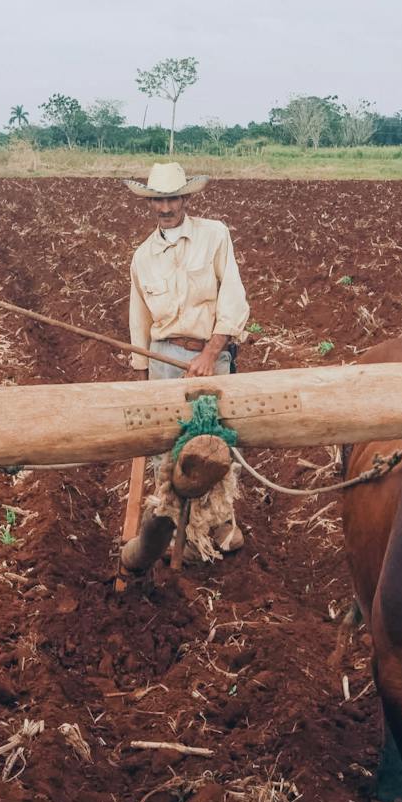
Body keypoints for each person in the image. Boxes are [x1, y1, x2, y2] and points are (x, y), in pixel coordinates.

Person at [125, 162, 250, 554]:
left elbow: (232, 296)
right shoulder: (143, 257)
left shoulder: (215, 235)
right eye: (159, 200)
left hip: (209, 355)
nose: (166, 208)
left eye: (173, 198)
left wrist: (212, 352)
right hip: (164, 357)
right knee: (168, 449)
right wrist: (143, 373)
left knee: (215, 441)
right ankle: (172, 526)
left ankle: (218, 522)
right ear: (151, 204)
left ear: (186, 198)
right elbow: (140, 319)